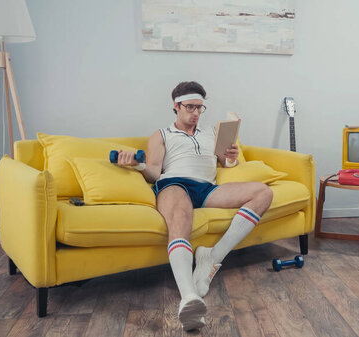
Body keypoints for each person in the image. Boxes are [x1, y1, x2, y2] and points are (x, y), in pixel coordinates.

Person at [117, 81, 273, 331]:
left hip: (207, 189)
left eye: (200, 108)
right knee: (180, 217)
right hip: (174, 184)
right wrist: (136, 165)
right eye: (190, 107)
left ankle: (212, 256)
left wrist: (230, 157)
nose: (196, 113)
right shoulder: (162, 135)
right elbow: (154, 172)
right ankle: (189, 297)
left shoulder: (211, 132)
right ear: (176, 106)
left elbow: (226, 163)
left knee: (263, 192)